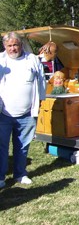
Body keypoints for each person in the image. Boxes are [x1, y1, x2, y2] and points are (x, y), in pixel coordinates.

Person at [0, 32, 46, 188]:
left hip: (27, 113)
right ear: (4, 46)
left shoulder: (32, 60)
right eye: (9, 46)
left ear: (21, 45)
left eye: (15, 45)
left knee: (22, 145)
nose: (13, 48)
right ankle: (0, 177)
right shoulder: (1, 60)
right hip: (3, 114)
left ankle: (20, 174)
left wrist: (40, 102)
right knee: (1, 146)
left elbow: (41, 81)